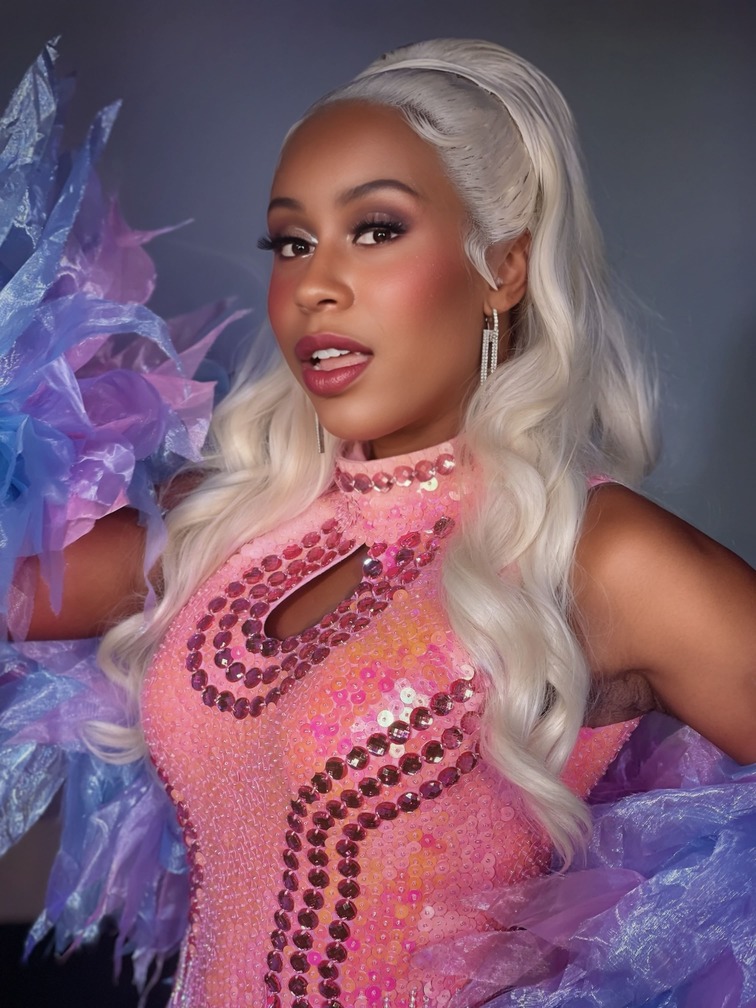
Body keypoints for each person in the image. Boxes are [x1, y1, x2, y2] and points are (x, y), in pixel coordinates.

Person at [4, 38, 755, 1008]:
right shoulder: (230, 524)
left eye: (376, 229)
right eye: (291, 242)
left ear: (504, 268)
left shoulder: (600, 556)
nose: (316, 283)